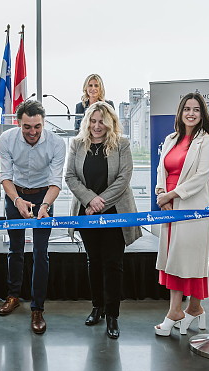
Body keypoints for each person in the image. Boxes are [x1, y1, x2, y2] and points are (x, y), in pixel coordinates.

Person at [65, 101, 142, 339]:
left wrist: (100, 203)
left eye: (102, 122)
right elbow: (70, 176)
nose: (97, 126)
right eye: (93, 121)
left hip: (114, 214)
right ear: (87, 121)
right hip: (87, 213)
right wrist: (89, 200)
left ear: (110, 123)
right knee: (94, 261)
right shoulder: (77, 144)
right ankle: (97, 307)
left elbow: (123, 178)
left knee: (113, 264)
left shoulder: (121, 144)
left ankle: (112, 315)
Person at [0, 100, 66, 334]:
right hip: (15, 194)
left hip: (44, 196)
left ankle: (37, 307)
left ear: (43, 123)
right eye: (27, 126)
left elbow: (56, 181)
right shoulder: (7, 139)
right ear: (18, 123)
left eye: (37, 126)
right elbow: (5, 176)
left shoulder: (56, 143)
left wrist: (44, 205)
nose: (32, 132)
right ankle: (13, 295)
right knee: (15, 249)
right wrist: (17, 200)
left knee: (40, 252)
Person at [154, 93, 209, 336]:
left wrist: (171, 195)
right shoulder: (171, 139)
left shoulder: (208, 142)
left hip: (191, 207)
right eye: (186, 109)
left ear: (202, 114)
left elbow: (201, 177)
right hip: (169, 208)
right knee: (173, 258)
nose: (191, 113)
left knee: (188, 259)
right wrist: (162, 193)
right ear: (180, 113)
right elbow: (162, 170)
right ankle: (194, 308)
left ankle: (177, 311)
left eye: (196, 110)